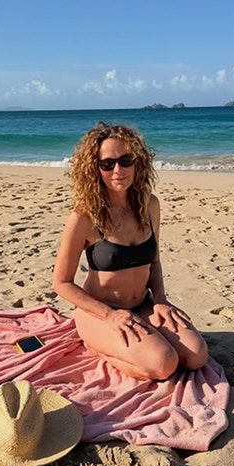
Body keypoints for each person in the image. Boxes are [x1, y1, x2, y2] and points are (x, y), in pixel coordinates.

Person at [52, 122, 209, 381]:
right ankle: (97, 345)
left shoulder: (149, 205)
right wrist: (109, 316)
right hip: (100, 312)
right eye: (108, 164)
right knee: (164, 364)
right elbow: (61, 283)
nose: (118, 170)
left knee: (196, 356)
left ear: (138, 162)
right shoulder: (84, 217)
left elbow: (154, 262)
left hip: (142, 305)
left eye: (126, 160)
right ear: (95, 168)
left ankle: (140, 342)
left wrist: (159, 299)